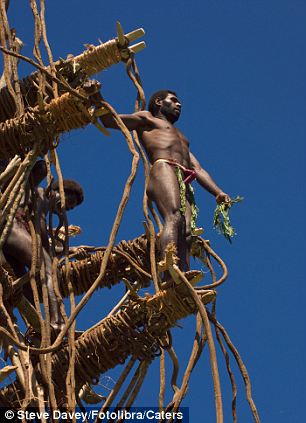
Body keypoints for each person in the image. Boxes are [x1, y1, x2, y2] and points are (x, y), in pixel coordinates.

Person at [99, 90, 230, 276]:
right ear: (159, 102)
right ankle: (168, 266)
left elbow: (198, 169)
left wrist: (217, 192)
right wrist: (97, 98)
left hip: (183, 178)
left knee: (186, 232)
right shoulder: (147, 119)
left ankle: (180, 277)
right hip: (163, 168)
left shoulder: (182, 138)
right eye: (174, 100)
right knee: (174, 216)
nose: (179, 105)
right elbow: (110, 121)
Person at [2, 160, 84, 334]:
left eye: (71, 208)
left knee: (26, 287)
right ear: (58, 190)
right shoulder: (41, 194)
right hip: (10, 227)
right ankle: (58, 322)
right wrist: (50, 256)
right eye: (69, 201)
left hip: (9, 238)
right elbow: (40, 231)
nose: (67, 208)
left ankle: (36, 326)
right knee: (47, 269)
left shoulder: (36, 196)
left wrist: (70, 250)